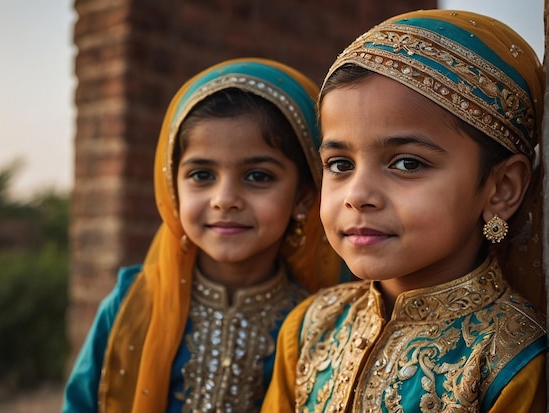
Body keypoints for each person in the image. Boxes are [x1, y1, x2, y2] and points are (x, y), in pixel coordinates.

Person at [262, 9, 547, 412]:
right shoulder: (311, 327)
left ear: (502, 188)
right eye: (340, 164)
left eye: (407, 164)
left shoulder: (511, 360)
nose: (357, 195)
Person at [62, 58, 346, 412]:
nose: (224, 200)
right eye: (201, 175)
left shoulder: (319, 323)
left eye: (258, 176)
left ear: (303, 197)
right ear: (173, 189)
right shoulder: (130, 305)